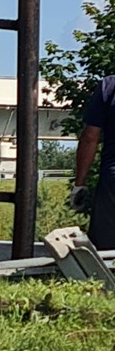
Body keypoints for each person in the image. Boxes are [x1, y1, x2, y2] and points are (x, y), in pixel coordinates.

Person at [71, 74, 115, 248]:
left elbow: (90, 137)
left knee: (108, 247)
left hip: (113, 179)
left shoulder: (109, 86)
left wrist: (79, 184)